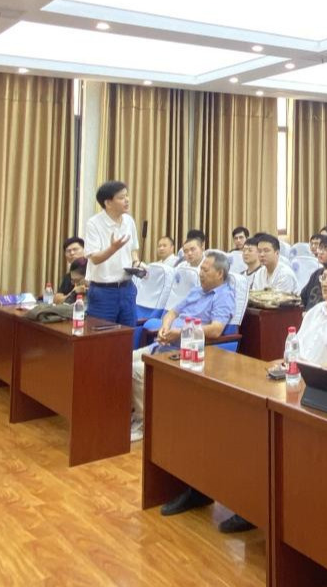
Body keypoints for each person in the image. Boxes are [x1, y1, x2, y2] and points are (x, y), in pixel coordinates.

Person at [134, 252, 237, 442]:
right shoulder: (197, 291)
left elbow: (216, 330)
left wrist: (180, 333)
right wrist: (165, 327)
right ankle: (134, 411)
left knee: (136, 371)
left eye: (205, 270)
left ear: (220, 274)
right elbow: (172, 313)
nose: (200, 273)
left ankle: (143, 422)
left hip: (187, 352)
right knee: (122, 360)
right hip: (164, 344)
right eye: (200, 269)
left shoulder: (224, 296)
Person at [83, 181, 142, 331]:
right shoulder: (94, 224)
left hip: (127, 288)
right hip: (103, 292)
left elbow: (133, 250)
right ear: (108, 203)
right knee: (102, 337)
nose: (127, 200)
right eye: (121, 197)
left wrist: (136, 263)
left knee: (128, 334)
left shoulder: (129, 221)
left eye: (127, 196)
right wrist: (113, 248)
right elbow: (94, 258)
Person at [300, 235, 327, 311]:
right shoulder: (317, 273)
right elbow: (304, 297)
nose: (320, 252)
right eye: (320, 248)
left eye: (326, 249)